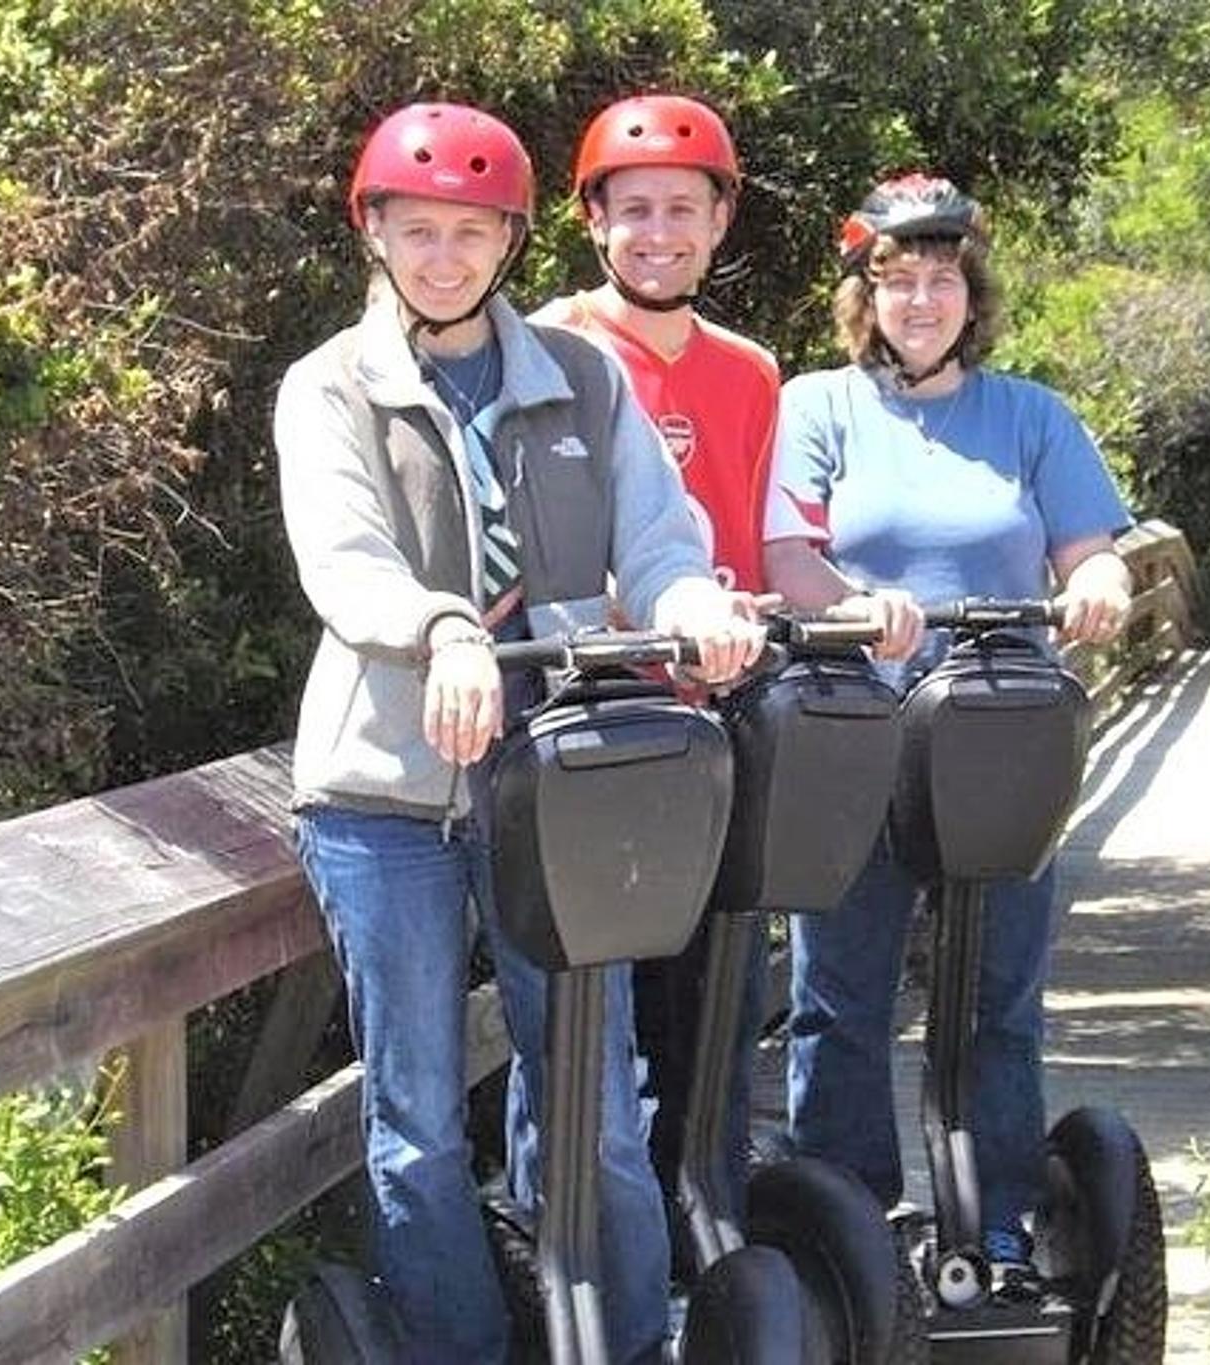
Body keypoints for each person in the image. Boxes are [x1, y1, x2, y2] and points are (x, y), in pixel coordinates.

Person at [276, 101, 763, 1364]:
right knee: (422, 1119)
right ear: (373, 233)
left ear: (509, 241)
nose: (446, 257)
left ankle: (628, 1341)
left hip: (562, 785)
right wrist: (442, 630)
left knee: (596, 1100)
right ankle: (458, 1347)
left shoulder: (578, 378)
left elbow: (656, 538)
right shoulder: (330, 388)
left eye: (473, 234)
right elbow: (345, 562)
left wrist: (690, 598)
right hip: (385, 799)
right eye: (419, 230)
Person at [760, 172, 1134, 1295]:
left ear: (971, 295)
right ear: (862, 298)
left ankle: (999, 1225)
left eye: (940, 281)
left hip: (998, 744)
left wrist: (1102, 584)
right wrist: (845, 605)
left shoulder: (1028, 415)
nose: (919, 302)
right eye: (896, 283)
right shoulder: (816, 407)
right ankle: (845, 1224)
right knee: (839, 994)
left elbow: (1089, 548)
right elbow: (784, 553)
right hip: (859, 735)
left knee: (998, 997)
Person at [530, 93, 778, 1229]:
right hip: (602, 722)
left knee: (716, 994)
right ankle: (582, 1238)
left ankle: (704, 1230)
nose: (659, 232)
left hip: (719, 712)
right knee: (597, 1002)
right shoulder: (553, 349)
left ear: (720, 222)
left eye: (683, 208)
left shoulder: (750, 372)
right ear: (593, 222)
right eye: (634, 210)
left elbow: (755, 532)